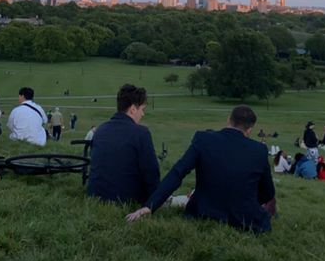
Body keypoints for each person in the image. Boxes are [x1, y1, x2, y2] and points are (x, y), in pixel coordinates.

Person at [126, 104, 275, 234]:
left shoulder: (203, 139)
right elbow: (268, 192)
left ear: (228, 120)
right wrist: (245, 201)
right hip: (244, 217)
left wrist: (150, 206)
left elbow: (178, 172)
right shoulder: (259, 150)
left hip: (204, 211)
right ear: (249, 130)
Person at [87, 84, 160, 204]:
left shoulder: (100, 130)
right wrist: (157, 199)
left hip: (96, 195)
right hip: (126, 199)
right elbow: (151, 174)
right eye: (142, 109)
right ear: (132, 109)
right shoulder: (141, 133)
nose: (143, 114)